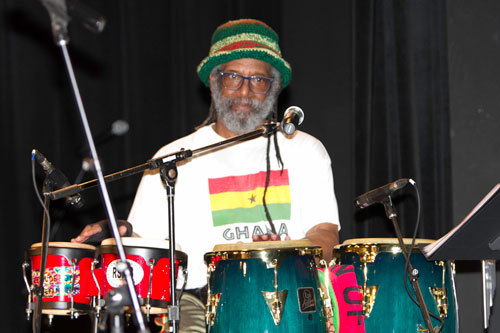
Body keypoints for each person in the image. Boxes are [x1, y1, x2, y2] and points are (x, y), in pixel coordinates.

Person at [73, 18, 340, 332]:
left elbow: (327, 236)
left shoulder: (305, 149)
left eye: (258, 80)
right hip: (197, 306)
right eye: (233, 77)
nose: (245, 91)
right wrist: (115, 231)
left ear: (274, 87)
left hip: (289, 297)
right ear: (214, 82)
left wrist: (285, 252)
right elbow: (145, 251)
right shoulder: (171, 159)